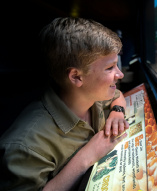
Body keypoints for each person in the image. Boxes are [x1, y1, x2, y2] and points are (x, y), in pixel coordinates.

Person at [0, 17, 129, 190]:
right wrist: (86, 157)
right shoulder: (26, 145)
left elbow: (117, 96)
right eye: (110, 68)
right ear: (76, 77)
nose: (120, 74)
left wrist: (117, 112)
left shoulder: (93, 96)